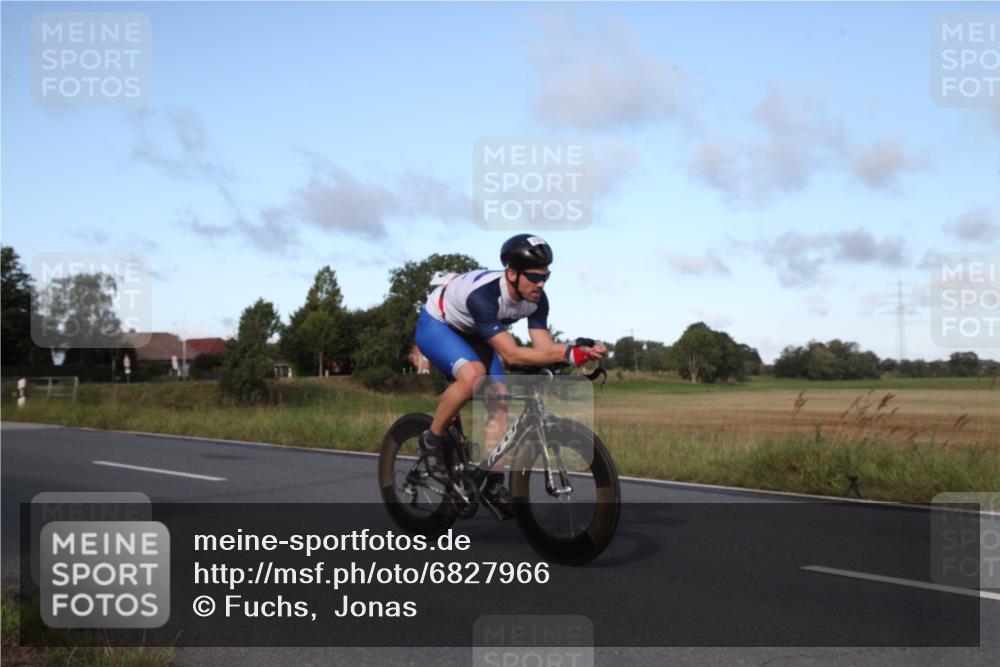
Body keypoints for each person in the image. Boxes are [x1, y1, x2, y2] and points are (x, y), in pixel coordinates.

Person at [413, 234, 607, 516]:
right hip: (438, 325)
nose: (540, 285)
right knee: (472, 376)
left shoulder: (537, 300)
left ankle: (492, 483)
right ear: (512, 273)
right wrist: (566, 354)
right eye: (534, 277)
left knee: (499, 398)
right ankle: (431, 439)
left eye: (546, 278)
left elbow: (543, 348)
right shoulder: (484, 296)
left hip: (475, 333)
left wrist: (578, 350)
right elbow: (512, 355)